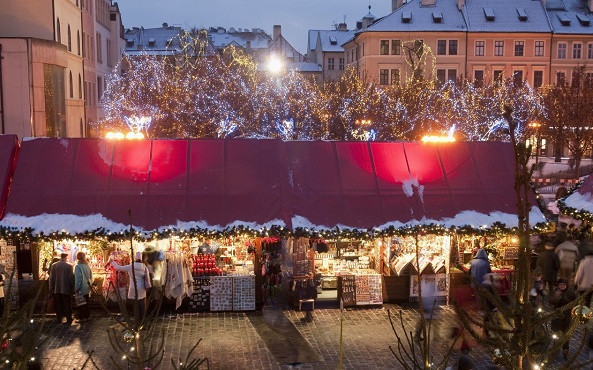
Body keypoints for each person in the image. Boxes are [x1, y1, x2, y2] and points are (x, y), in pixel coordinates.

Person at [109, 251, 151, 327]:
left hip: (133, 287)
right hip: (141, 288)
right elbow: (147, 278)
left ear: (135, 258)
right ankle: (143, 321)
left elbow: (118, 268)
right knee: (142, 304)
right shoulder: (144, 267)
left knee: (135, 305)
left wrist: (112, 262)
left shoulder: (131, 266)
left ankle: (137, 321)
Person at [549, 278, 577, 360]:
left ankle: (565, 352)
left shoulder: (571, 292)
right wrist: (556, 296)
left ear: (566, 285)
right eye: (560, 284)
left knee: (566, 336)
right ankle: (554, 351)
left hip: (566, 317)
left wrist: (562, 296)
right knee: (555, 335)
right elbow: (550, 301)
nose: (562, 286)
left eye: (563, 285)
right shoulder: (556, 291)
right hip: (556, 317)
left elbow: (573, 303)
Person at [48, 253, 75, 325]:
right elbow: (71, 278)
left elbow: (51, 278)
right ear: (66, 257)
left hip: (57, 288)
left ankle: (59, 318)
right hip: (66, 288)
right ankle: (69, 318)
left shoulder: (54, 265)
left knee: (58, 304)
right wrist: (73, 288)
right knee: (67, 304)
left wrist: (51, 287)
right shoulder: (69, 266)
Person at [74, 251, 92, 323]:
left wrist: (76, 287)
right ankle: (87, 316)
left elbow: (78, 278)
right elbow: (91, 276)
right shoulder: (87, 266)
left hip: (81, 287)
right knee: (86, 302)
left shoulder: (78, 266)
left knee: (81, 303)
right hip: (87, 286)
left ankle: (82, 317)